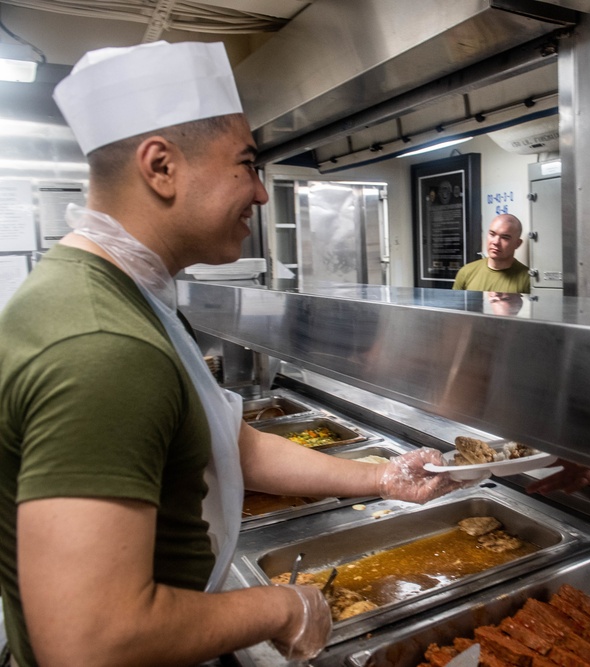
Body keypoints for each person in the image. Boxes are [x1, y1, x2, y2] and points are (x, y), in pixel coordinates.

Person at [0, 41, 462, 667]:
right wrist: (282, 607)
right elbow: (91, 642)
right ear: (160, 166)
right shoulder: (104, 344)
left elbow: (229, 443)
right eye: (246, 164)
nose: (262, 194)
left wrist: (382, 476)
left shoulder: (127, 298)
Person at [452, 214, 531, 293]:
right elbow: (455, 304)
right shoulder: (466, 272)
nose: (496, 242)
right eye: (492, 234)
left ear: (517, 244)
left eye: (505, 237)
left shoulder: (527, 279)